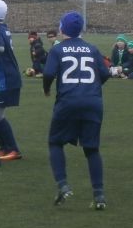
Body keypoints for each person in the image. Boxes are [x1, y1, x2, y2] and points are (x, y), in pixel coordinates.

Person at [43, 11, 110, 209]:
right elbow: (105, 73)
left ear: (62, 28)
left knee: (55, 142)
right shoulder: (92, 48)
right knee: (91, 148)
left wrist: (47, 89)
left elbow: (48, 73)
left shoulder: (58, 49)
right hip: (93, 102)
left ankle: (63, 184)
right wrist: (92, 88)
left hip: (68, 102)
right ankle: (99, 196)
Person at [0, 0, 23, 161]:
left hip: (5, 78)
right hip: (6, 76)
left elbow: (0, 48)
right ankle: (4, 147)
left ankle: (13, 149)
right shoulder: (3, 27)